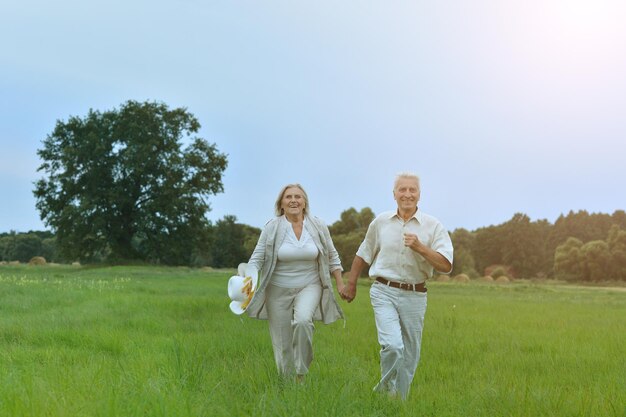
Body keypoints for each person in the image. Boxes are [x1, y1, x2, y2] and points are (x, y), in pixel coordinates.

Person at [340, 172, 453, 399]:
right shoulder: (381, 222)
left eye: (412, 190)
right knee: (393, 346)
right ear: (394, 194)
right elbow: (363, 253)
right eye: (402, 189)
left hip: (415, 295)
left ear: (419, 195)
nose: (407, 194)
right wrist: (351, 284)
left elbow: (446, 265)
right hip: (383, 291)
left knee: (410, 355)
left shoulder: (433, 226)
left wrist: (421, 247)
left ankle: (397, 403)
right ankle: (383, 393)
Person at [245, 183, 345, 383]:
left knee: (302, 321)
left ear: (304, 202)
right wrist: (246, 281)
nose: (293, 200)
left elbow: (332, 256)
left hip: (310, 284)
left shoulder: (318, 226)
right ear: (281, 204)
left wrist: (341, 284)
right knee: (282, 341)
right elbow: (257, 258)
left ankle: (301, 374)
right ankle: (287, 383)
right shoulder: (272, 227)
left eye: (298, 196)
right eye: (288, 197)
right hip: (277, 289)